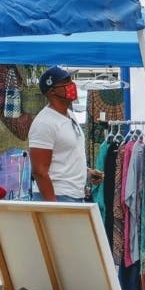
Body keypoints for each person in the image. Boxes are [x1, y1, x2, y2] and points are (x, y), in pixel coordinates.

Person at [29, 66, 102, 202]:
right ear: (51, 91)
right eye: (66, 82)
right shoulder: (44, 123)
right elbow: (39, 171)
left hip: (74, 195)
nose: (72, 85)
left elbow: (66, 155)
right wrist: (53, 206)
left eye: (71, 80)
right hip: (58, 196)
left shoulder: (70, 115)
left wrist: (86, 173)